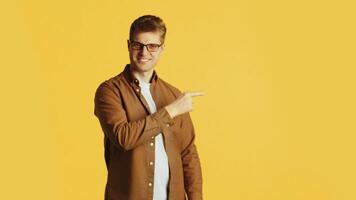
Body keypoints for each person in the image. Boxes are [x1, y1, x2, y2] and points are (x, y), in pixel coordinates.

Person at [94, 15, 203, 200]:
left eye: (152, 46)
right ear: (129, 45)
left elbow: (188, 155)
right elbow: (124, 137)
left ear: (162, 49)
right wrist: (171, 111)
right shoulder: (109, 91)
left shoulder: (174, 95)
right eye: (138, 45)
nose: (144, 52)